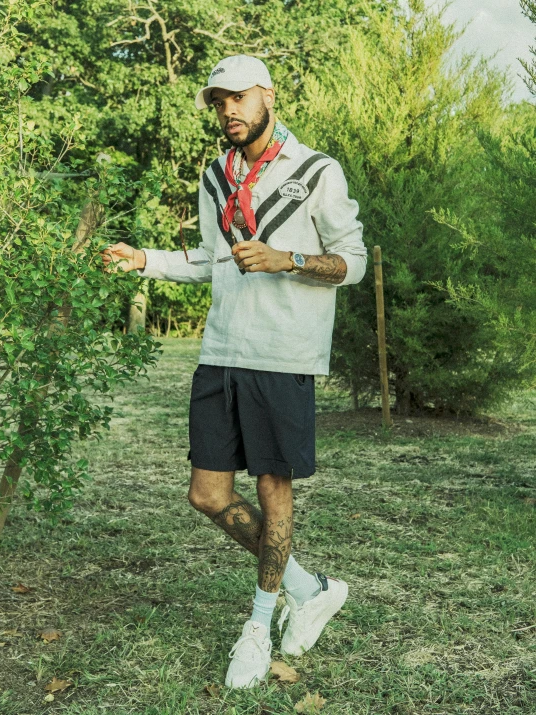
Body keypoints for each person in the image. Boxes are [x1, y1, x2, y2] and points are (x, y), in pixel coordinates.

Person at [102, 54, 367, 689]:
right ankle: (311, 588)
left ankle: (259, 623)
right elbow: (211, 260)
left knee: (275, 491)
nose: (228, 111)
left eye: (239, 98)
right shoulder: (216, 175)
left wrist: (287, 258)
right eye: (219, 101)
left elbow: (351, 261)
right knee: (208, 495)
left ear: (267, 96)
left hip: (282, 353)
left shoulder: (315, 172)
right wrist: (145, 259)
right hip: (222, 349)